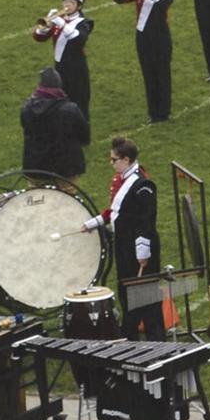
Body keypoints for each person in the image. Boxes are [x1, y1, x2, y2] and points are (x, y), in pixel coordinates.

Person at [80, 137, 164, 341]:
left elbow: (146, 219)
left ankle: (157, 340)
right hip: (124, 245)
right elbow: (116, 210)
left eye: (114, 159)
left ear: (126, 159)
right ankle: (131, 337)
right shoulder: (122, 179)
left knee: (147, 298)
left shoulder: (143, 185)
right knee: (127, 293)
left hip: (139, 248)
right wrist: (94, 223)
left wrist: (142, 251)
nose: (111, 163)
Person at [113, 0, 174, 122]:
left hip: (160, 38)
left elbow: (163, 2)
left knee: (162, 74)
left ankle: (163, 111)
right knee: (148, 74)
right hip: (142, 37)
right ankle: (153, 112)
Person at [20, 67, 89, 185]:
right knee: (67, 202)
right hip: (65, 170)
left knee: (37, 202)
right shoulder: (71, 110)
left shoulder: (27, 108)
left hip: (35, 169)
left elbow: (25, 127)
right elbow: (84, 136)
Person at [32, 0, 94, 116]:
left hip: (76, 71)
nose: (67, 5)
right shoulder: (60, 19)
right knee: (61, 105)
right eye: (65, 1)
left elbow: (79, 39)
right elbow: (39, 37)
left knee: (79, 106)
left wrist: (62, 24)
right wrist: (45, 27)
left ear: (79, 6)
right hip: (60, 69)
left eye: (71, 2)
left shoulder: (84, 22)